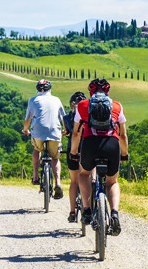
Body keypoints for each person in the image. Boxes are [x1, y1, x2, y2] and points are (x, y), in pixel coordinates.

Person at [70, 78, 129, 236]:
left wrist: (74, 153)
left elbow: (76, 133)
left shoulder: (82, 105)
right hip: (111, 145)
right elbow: (122, 135)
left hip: (90, 145)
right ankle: (115, 213)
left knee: (84, 174)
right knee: (112, 182)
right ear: (108, 91)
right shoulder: (117, 106)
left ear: (91, 91)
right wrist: (124, 153)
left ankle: (87, 209)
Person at [23, 79, 66, 199]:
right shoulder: (56, 100)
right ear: (49, 89)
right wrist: (65, 130)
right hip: (55, 133)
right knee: (55, 157)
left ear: (37, 89)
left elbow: (28, 119)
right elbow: (63, 118)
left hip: (38, 133)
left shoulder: (33, 100)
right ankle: (58, 182)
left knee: (37, 150)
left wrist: (25, 130)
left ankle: (35, 176)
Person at [63, 91, 87, 222]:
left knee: (74, 182)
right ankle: (90, 206)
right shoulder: (88, 116)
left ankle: (72, 212)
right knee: (88, 177)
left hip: (72, 151)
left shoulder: (67, 118)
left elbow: (67, 132)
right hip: (87, 150)